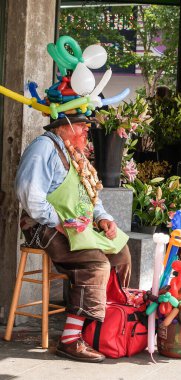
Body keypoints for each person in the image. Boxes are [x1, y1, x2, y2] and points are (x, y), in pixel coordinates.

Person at [15, 114, 131, 363]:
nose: (86, 131)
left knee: (121, 253)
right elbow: (28, 194)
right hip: (42, 226)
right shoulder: (44, 147)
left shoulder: (74, 154)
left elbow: (91, 199)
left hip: (76, 224)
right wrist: (58, 223)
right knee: (94, 264)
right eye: (81, 126)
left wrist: (103, 219)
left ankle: (100, 326)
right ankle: (70, 339)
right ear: (64, 127)